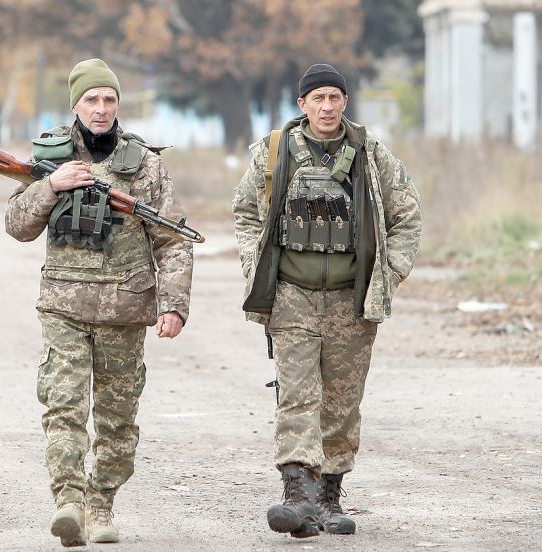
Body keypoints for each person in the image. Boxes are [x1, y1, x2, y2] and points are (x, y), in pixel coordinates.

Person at [4, 58, 193, 547]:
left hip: (124, 310)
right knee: (63, 406)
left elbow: (172, 240)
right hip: (63, 304)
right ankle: (68, 502)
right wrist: (51, 186)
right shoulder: (51, 155)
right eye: (92, 99)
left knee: (117, 419)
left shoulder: (145, 163)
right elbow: (18, 226)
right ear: (75, 104)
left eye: (109, 99)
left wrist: (173, 305)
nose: (101, 108)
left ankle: (100, 502)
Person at [232, 63, 422, 538]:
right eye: (317, 98)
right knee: (297, 395)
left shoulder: (371, 155)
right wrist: (254, 267)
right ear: (302, 105)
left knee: (340, 402)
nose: (327, 107)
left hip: (349, 300)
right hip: (293, 296)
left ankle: (328, 497)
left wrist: (388, 274)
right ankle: (296, 495)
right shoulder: (274, 154)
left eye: (335, 97)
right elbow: (244, 213)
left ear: (345, 103)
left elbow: (408, 218)